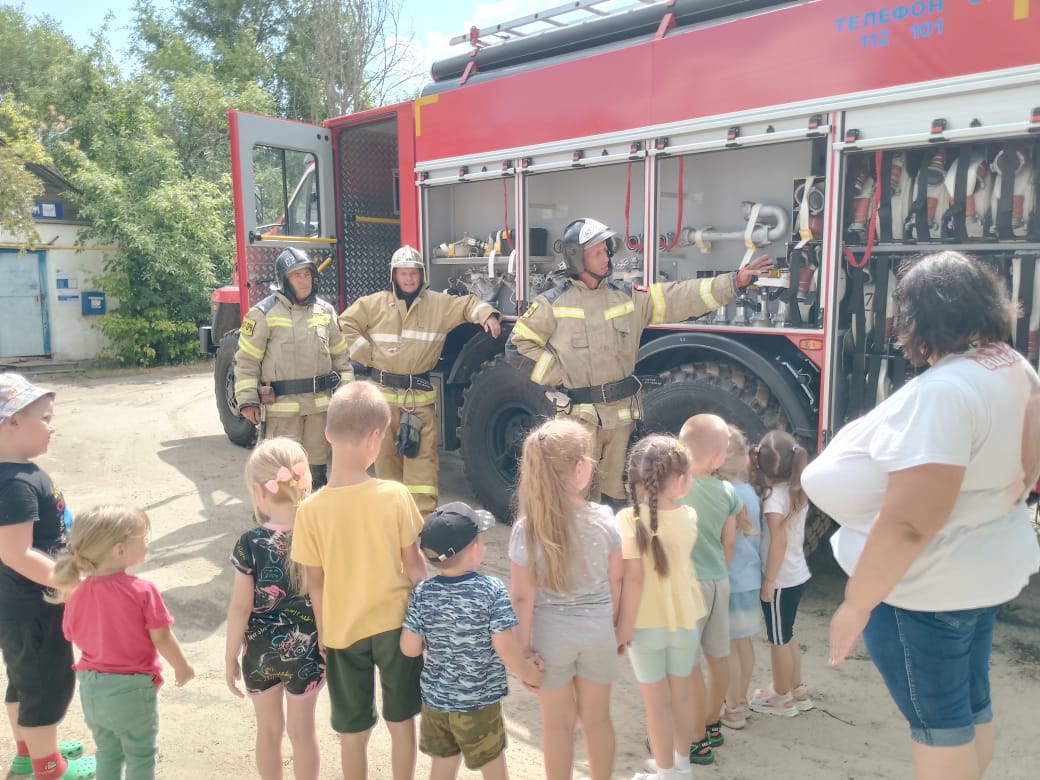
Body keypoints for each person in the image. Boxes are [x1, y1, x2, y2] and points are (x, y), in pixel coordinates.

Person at [802, 251, 1040, 780]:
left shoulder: (946, 392)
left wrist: (855, 606)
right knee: (969, 707)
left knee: (940, 724)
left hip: (926, 588)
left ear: (919, 318)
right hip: (979, 571)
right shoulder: (1009, 365)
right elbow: (1025, 471)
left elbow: (912, 522)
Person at [506, 217, 773, 508]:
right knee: (573, 499)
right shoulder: (551, 304)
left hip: (620, 423)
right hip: (578, 424)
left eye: (606, 250)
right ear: (577, 259)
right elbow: (518, 346)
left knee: (617, 502)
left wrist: (733, 282)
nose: (606, 257)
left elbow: (679, 296)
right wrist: (560, 375)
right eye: (596, 253)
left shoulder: (629, 298)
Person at [290, 380, 427, 780]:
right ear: (376, 437)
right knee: (402, 723)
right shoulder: (396, 495)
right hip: (396, 627)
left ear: (328, 434)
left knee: (353, 732)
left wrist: (324, 630)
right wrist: (430, 613)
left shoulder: (310, 510)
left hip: (342, 631)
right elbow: (415, 564)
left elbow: (315, 582)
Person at [338, 245, 502, 514]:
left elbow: (468, 304)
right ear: (394, 275)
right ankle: (391, 521)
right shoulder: (374, 303)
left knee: (423, 468)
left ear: (422, 275)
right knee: (386, 464)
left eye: (414, 273)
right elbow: (343, 325)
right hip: (383, 403)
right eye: (403, 273)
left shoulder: (438, 304)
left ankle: (421, 524)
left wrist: (487, 314)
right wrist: (368, 356)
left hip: (419, 403)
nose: (409, 278)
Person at [508, 418, 622, 780]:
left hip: (550, 638)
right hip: (598, 633)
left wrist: (523, 653)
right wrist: (614, 624)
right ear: (581, 468)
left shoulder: (526, 530)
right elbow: (615, 578)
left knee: (557, 727)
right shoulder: (605, 519)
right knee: (598, 720)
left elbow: (522, 598)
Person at [400, 501, 545, 780]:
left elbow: (409, 648)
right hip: (478, 704)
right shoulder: (491, 590)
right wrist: (528, 672)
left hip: (436, 704)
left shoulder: (422, 594)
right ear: (473, 549)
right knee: (493, 767)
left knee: (442, 767)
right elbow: (504, 646)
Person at [0, 373, 95, 780]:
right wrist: (69, 584)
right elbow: (15, 552)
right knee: (46, 685)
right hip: (34, 606)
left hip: (22, 606)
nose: (52, 425)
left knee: (24, 680)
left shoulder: (22, 473)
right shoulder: (14, 484)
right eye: (44, 417)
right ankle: (49, 767)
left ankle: (29, 752)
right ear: (12, 423)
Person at [56, 505, 195, 780]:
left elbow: (70, 633)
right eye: (143, 539)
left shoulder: (76, 591)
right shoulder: (142, 590)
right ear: (119, 550)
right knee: (140, 754)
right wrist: (183, 667)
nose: (147, 543)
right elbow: (162, 637)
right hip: (131, 688)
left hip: (91, 687)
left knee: (107, 752)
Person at [225, 437, 324, 780]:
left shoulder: (249, 543)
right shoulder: (319, 535)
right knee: (303, 734)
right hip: (307, 652)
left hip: (259, 654)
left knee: (268, 732)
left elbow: (240, 608)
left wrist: (229, 656)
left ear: (259, 491)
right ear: (306, 483)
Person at [614, 435, 705, 780]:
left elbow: (631, 581)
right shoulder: (690, 516)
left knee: (656, 703)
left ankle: (664, 772)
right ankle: (682, 766)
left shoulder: (627, 520)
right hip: (685, 621)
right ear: (681, 481)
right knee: (681, 697)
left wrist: (622, 628)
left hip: (645, 624)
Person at [236, 247, 354, 489]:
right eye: (296, 275)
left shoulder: (326, 311)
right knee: (281, 474)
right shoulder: (262, 313)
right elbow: (247, 361)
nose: (304, 280)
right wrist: (248, 400)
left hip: (318, 410)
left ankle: (314, 523)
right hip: (281, 411)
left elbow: (341, 358)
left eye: (307, 274)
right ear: (283, 280)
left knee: (316, 473)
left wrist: (347, 400)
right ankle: (278, 523)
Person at [677, 414, 741, 764]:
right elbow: (728, 542)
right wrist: (722, 572)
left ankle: (695, 740)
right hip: (720, 580)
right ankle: (713, 723)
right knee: (719, 658)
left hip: (690, 585)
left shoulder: (678, 488)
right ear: (718, 458)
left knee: (687, 666)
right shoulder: (728, 491)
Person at [747, 430, 812, 718]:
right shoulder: (797, 491)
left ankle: (781, 696)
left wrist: (769, 582)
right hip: (796, 573)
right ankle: (797, 689)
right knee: (787, 634)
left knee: (777, 640)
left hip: (781, 579)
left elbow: (778, 540)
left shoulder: (774, 502)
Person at [716, 425, 761, 730]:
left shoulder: (723, 495)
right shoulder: (751, 494)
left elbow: (723, 541)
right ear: (745, 461)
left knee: (729, 647)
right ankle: (741, 700)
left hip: (730, 579)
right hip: (751, 579)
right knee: (744, 644)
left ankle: (731, 708)